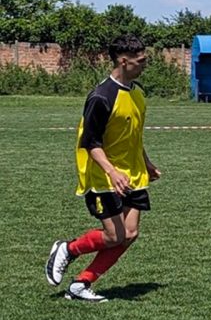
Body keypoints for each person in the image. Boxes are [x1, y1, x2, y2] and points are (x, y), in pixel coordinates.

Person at [45, 34, 160, 302]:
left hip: (133, 174)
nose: (145, 64)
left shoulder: (138, 92)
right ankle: (68, 249)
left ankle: (81, 284)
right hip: (103, 176)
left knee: (129, 234)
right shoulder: (101, 96)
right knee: (113, 235)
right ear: (124, 60)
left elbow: (132, 135)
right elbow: (90, 142)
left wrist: (146, 162)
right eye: (141, 60)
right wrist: (111, 171)